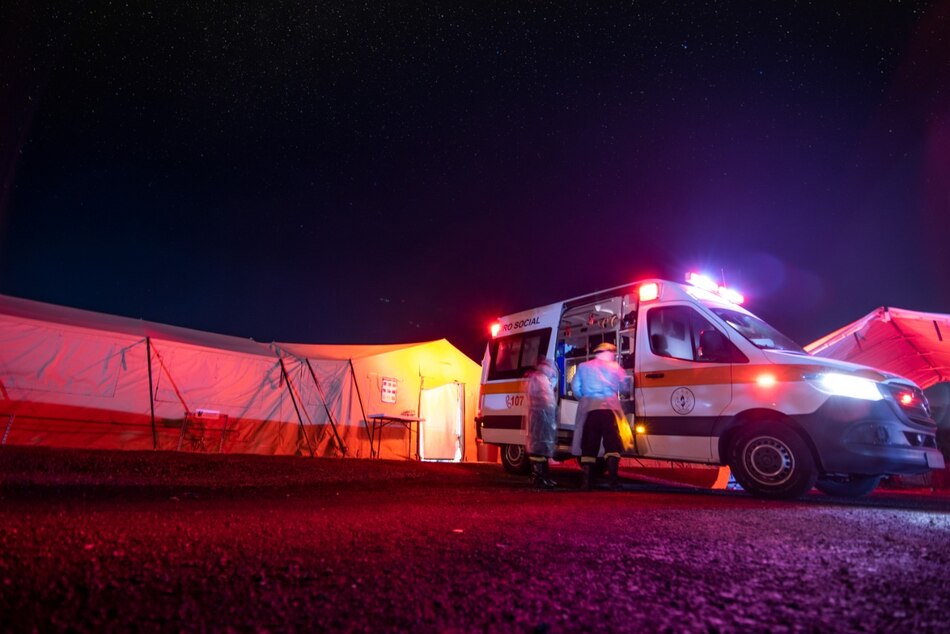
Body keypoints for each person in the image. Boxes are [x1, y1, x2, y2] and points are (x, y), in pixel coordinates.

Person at [571, 342, 627, 490]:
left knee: (589, 444)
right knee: (612, 444)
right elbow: (625, 386)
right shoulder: (615, 367)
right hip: (610, 409)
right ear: (609, 352)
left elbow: (575, 387)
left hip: (591, 410)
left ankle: (586, 482)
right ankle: (613, 482)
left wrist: (586, 399)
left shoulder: (584, 367)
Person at [525, 357, 559, 489]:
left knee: (542, 448)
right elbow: (546, 400)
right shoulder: (539, 378)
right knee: (539, 448)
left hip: (542, 417)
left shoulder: (539, 377)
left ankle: (543, 477)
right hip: (540, 417)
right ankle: (539, 478)